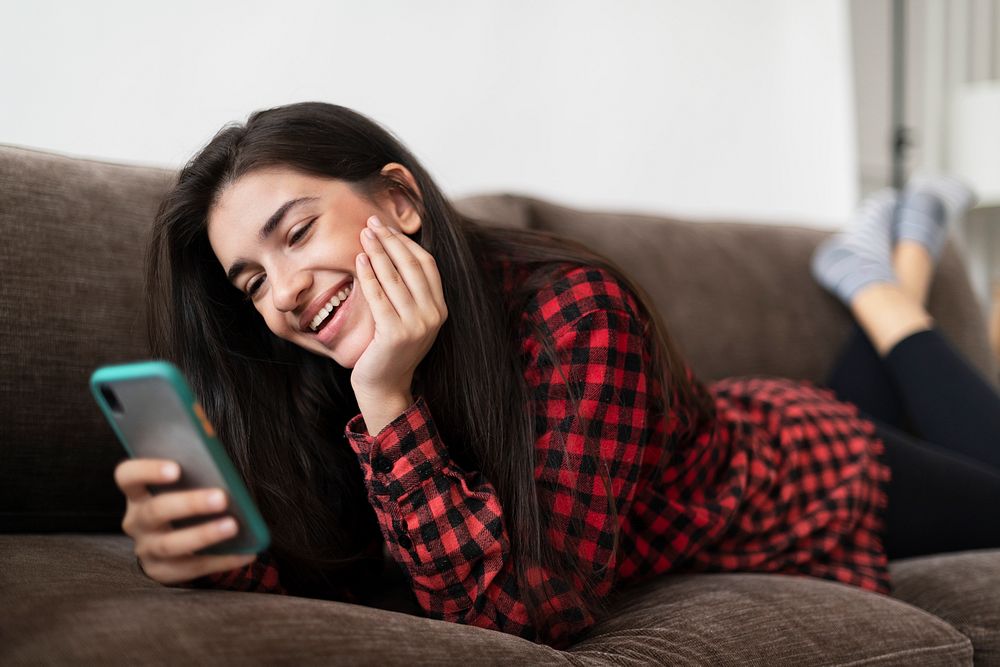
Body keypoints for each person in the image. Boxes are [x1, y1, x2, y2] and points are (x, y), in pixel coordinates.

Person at [113, 101, 1000, 649]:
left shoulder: (578, 311)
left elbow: (528, 613)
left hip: (813, 471)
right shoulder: (304, 380)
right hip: (739, 429)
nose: (286, 295)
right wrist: (211, 556)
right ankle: (893, 267)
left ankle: (880, 288)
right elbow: (346, 570)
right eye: (253, 282)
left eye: (298, 232)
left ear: (399, 201)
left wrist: (388, 399)